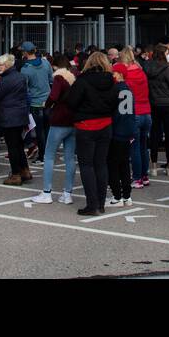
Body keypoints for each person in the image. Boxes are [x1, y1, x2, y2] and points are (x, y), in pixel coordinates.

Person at [66, 51, 116, 216]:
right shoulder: (112, 80)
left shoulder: (82, 80)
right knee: (101, 164)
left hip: (86, 125)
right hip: (106, 125)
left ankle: (92, 204)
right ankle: (100, 204)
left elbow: (71, 102)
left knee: (87, 166)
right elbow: (116, 102)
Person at [33, 54, 77, 205]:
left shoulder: (58, 78)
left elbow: (53, 96)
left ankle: (46, 193)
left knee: (49, 156)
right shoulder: (74, 76)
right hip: (73, 121)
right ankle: (67, 193)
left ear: (55, 66)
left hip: (59, 120)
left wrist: (46, 104)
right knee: (70, 158)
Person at [0, 54, 30, 185]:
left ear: (7, 65)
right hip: (20, 114)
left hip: (10, 115)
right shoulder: (21, 76)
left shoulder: (6, 79)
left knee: (12, 147)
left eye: (0, 65)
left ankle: (15, 174)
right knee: (19, 145)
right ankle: (25, 170)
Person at [114, 48, 152, 187]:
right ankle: (144, 175)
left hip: (135, 113)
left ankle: (136, 178)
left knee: (134, 148)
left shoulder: (125, 76)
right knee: (143, 146)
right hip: (146, 112)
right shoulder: (142, 72)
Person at [141, 44, 169, 175]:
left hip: (153, 103)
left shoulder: (147, 67)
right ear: (164, 53)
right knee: (168, 135)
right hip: (168, 104)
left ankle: (154, 166)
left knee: (155, 135)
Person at [107, 65, 136, 207]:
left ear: (119, 74)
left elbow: (110, 110)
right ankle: (127, 196)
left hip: (117, 131)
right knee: (124, 164)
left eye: (114, 72)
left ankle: (117, 196)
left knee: (112, 164)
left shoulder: (115, 89)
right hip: (127, 130)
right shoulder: (128, 90)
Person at [21, 46, 52, 165]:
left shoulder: (25, 69)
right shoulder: (45, 63)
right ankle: (48, 155)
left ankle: (42, 156)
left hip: (35, 102)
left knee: (40, 132)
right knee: (48, 130)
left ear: (25, 53)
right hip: (48, 101)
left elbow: (25, 88)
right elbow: (51, 79)